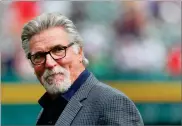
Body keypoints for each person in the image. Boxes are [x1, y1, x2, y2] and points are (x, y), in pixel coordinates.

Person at [21, 12, 144, 126]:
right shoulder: (46, 112)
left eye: (58, 50)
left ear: (79, 52)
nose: (49, 63)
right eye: (38, 56)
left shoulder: (113, 104)